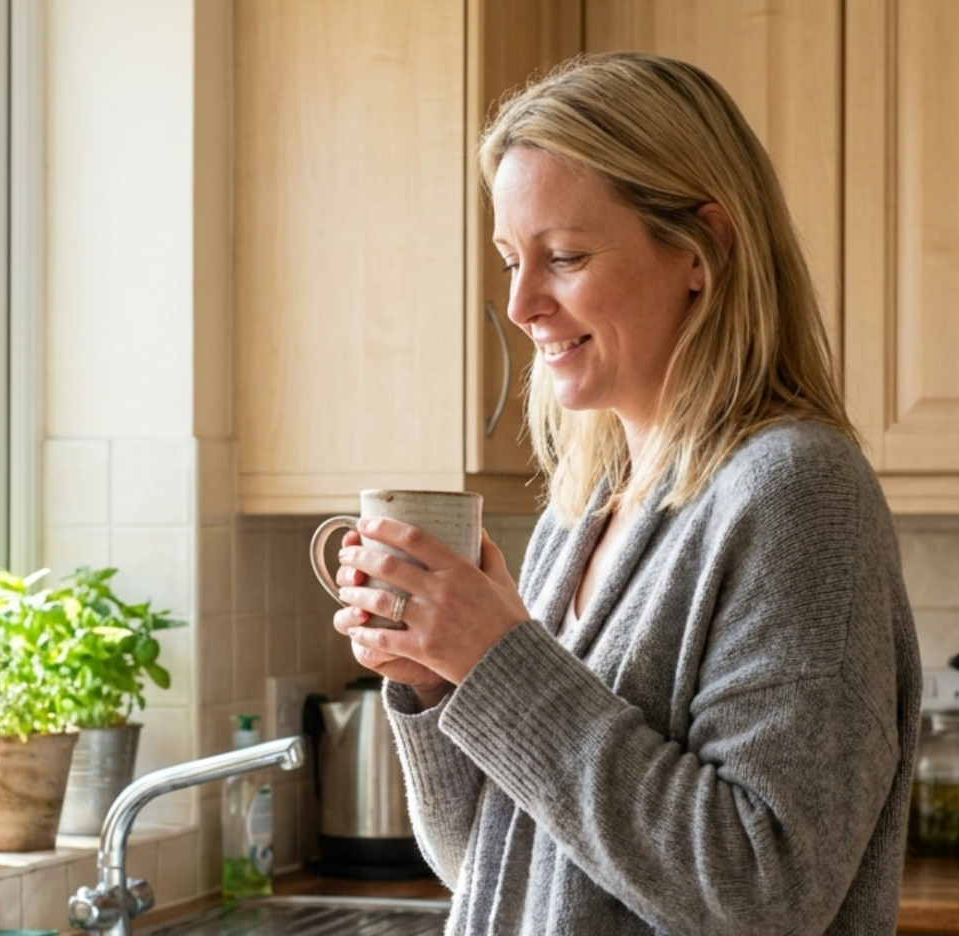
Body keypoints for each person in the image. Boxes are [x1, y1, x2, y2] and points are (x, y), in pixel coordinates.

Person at [331, 52, 919, 936]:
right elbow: (499, 865)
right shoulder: (584, 509)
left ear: (701, 249)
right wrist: (436, 682)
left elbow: (763, 890)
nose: (522, 303)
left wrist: (497, 663)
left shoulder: (797, 494)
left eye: (562, 256)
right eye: (509, 261)